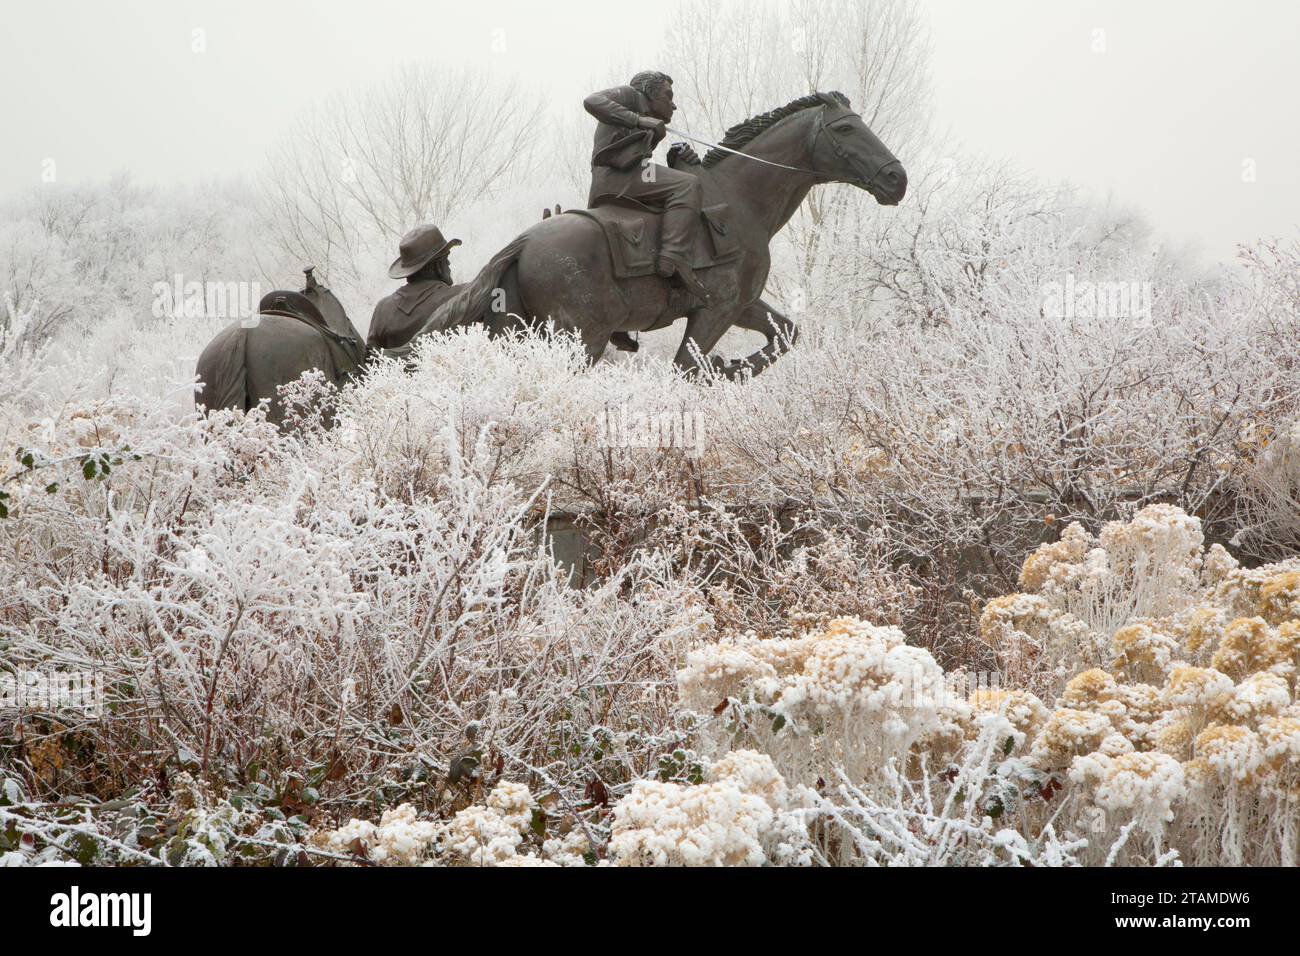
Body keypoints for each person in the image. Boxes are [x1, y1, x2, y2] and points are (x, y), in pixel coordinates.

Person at [584, 70, 708, 301]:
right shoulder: (631, 96)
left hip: (626, 176)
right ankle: (673, 258)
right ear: (649, 92)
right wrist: (639, 120)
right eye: (668, 96)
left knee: (681, 182)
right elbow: (592, 101)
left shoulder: (649, 121)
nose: (673, 105)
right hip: (614, 178)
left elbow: (644, 167)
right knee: (687, 185)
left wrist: (676, 160)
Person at [367, 224, 463, 350]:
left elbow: (370, 360)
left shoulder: (382, 309)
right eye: (446, 258)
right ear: (438, 266)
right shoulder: (460, 296)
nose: (449, 263)